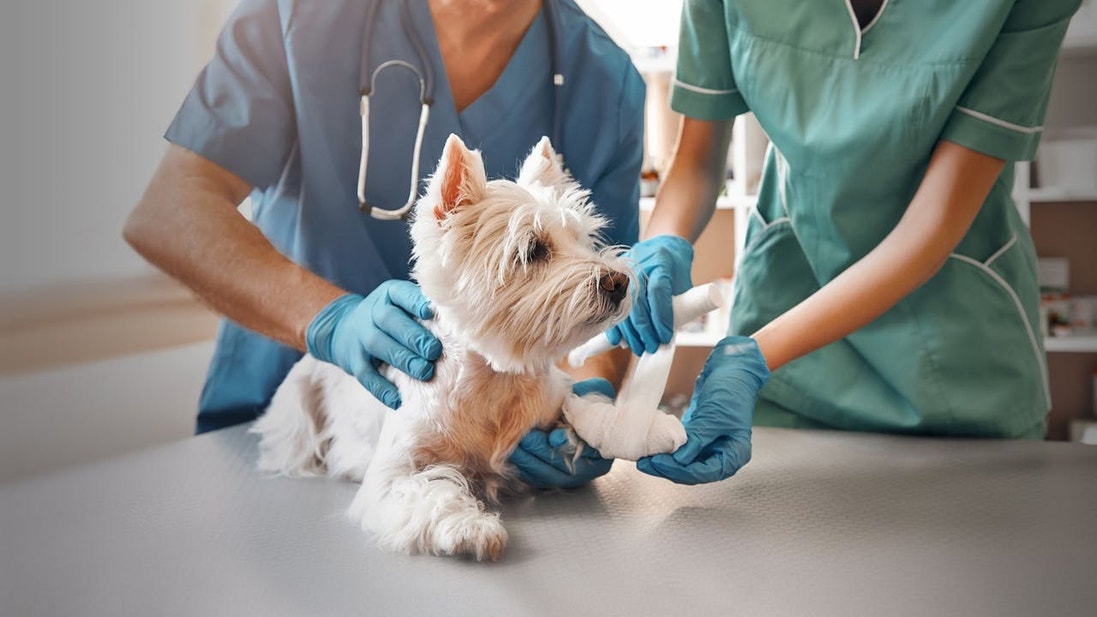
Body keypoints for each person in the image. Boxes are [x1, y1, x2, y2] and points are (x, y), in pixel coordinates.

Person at [123, 0, 645, 489]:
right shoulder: (301, 14)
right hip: (290, 432)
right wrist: (329, 321)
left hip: (497, 454)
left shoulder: (603, 80)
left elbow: (604, 308)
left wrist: (587, 404)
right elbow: (171, 211)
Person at [610, 0, 1083, 485]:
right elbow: (695, 161)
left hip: (956, 355)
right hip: (789, 328)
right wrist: (662, 243)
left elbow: (932, 223)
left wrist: (756, 356)